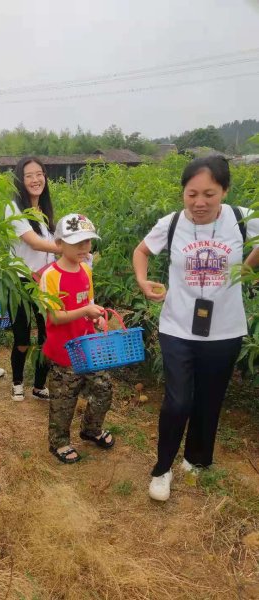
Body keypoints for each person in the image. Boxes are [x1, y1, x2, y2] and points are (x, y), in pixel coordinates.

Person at [133, 156, 259, 501]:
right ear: (183, 193)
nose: (199, 202)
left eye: (209, 194)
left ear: (225, 191)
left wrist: (247, 269)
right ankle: (162, 469)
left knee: (209, 397)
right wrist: (143, 281)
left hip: (225, 329)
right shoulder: (172, 223)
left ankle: (197, 459)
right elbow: (142, 251)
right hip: (177, 326)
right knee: (178, 401)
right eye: (192, 194)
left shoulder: (241, 218)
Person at [39, 214, 115, 464]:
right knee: (64, 399)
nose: (84, 247)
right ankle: (59, 442)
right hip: (64, 350)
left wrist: (96, 318)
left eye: (88, 241)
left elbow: (88, 301)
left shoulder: (86, 269)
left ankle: (91, 429)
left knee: (103, 388)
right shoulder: (51, 276)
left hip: (87, 345)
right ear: (59, 244)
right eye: (77, 242)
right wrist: (85, 311)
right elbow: (55, 316)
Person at [5, 156, 60, 402]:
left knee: (47, 335)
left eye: (39, 174)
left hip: (45, 281)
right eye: (29, 176)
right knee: (22, 338)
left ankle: (39, 386)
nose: (36, 180)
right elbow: (34, 243)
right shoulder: (14, 208)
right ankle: (17, 382)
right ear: (20, 180)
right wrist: (68, 249)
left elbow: (50, 243)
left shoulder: (44, 210)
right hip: (20, 280)